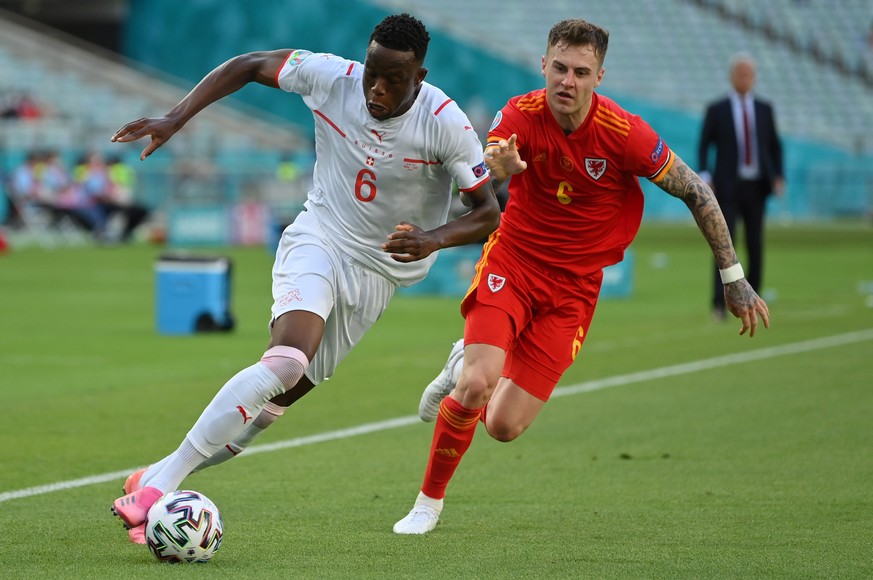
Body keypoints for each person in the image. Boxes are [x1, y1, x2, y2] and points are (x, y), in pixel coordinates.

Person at [109, 13, 500, 544]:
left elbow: (486, 214)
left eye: (393, 80)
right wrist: (176, 117)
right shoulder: (328, 77)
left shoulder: (446, 123)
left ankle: (151, 477)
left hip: (379, 273)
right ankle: (161, 489)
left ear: (421, 76)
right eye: (372, 74)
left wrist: (433, 237)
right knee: (286, 361)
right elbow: (248, 65)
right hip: (320, 237)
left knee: (269, 411)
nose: (376, 90)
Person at [393, 19, 771, 535]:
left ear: (598, 76)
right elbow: (487, 170)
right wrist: (499, 166)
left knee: (503, 426)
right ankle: (427, 504)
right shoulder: (519, 114)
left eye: (580, 72)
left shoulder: (626, 134)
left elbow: (696, 192)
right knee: (479, 383)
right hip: (515, 263)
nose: (566, 80)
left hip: (574, 289)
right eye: (559, 68)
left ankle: (464, 361)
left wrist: (733, 276)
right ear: (543, 65)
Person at [697, 53, 784, 321]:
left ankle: (754, 298)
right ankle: (719, 303)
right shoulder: (717, 109)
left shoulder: (764, 109)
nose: (746, 79)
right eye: (741, 74)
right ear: (732, 76)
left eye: (750, 75)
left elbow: (774, 145)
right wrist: (705, 174)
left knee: (756, 243)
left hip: (756, 186)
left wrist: (778, 175)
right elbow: (704, 144)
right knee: (724, 244)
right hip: (727, 186)